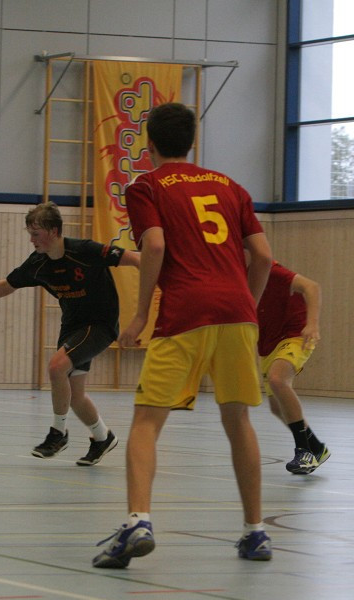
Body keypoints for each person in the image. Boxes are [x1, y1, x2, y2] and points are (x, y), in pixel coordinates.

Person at [92, 102, 274, 569]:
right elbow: (264, 257)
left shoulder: (147, 186)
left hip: (186, 311)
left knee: (147, 422)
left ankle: (138, 522)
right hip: (237, 312)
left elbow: (154, 244)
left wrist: (138, 317)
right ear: (191, 141)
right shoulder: (232, 187)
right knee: (239, 422)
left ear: (148, 144)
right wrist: (247, 307)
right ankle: (256, 533)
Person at [0, 201, 139, 465]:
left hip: (100, 325)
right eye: (30, 234)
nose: (32, 240)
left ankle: (58, 433)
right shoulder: (38, 264)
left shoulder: (85, 250)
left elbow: (136, 259)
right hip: (72, 326)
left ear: (54, 231)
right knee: (75, 396)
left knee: (56, 366)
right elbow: (7, 285)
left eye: (36, 234)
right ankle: (102, 437)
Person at [257, 260, 331, 475]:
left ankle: (304, 451)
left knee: (278, 379)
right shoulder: (238, 276)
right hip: (268, 343)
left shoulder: (272, 271)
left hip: (296, 335)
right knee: (276, 407)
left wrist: (313, 323)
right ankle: (317, 448)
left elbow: (312, 287)